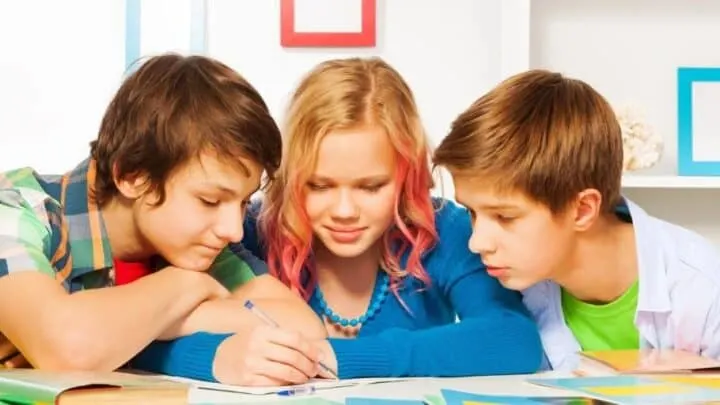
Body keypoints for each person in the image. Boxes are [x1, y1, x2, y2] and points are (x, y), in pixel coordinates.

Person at [135, 57, 544, 383]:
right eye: (319, 185)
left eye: (370, 187)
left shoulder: (443, 230)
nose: (345, 210)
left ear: (406, 176)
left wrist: (335, 357)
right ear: (291, 175)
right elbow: (142, 339)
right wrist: (218, 358)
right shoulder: (249, 233)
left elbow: (513, 338)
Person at [0, 54, 325, 378]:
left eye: (243, 202)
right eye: (210, 200)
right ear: (132, 176)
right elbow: (69, 347)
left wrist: (143, 326)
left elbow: (303, 326)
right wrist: (184, 286)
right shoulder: (18, 209)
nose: (234, 230)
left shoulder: (197, 241)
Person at [432, 69, 720, 371]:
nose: (477, 242)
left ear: (582, 209)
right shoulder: (512, 280)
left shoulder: (702, 290)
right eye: (471, 212)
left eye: (505, 217)